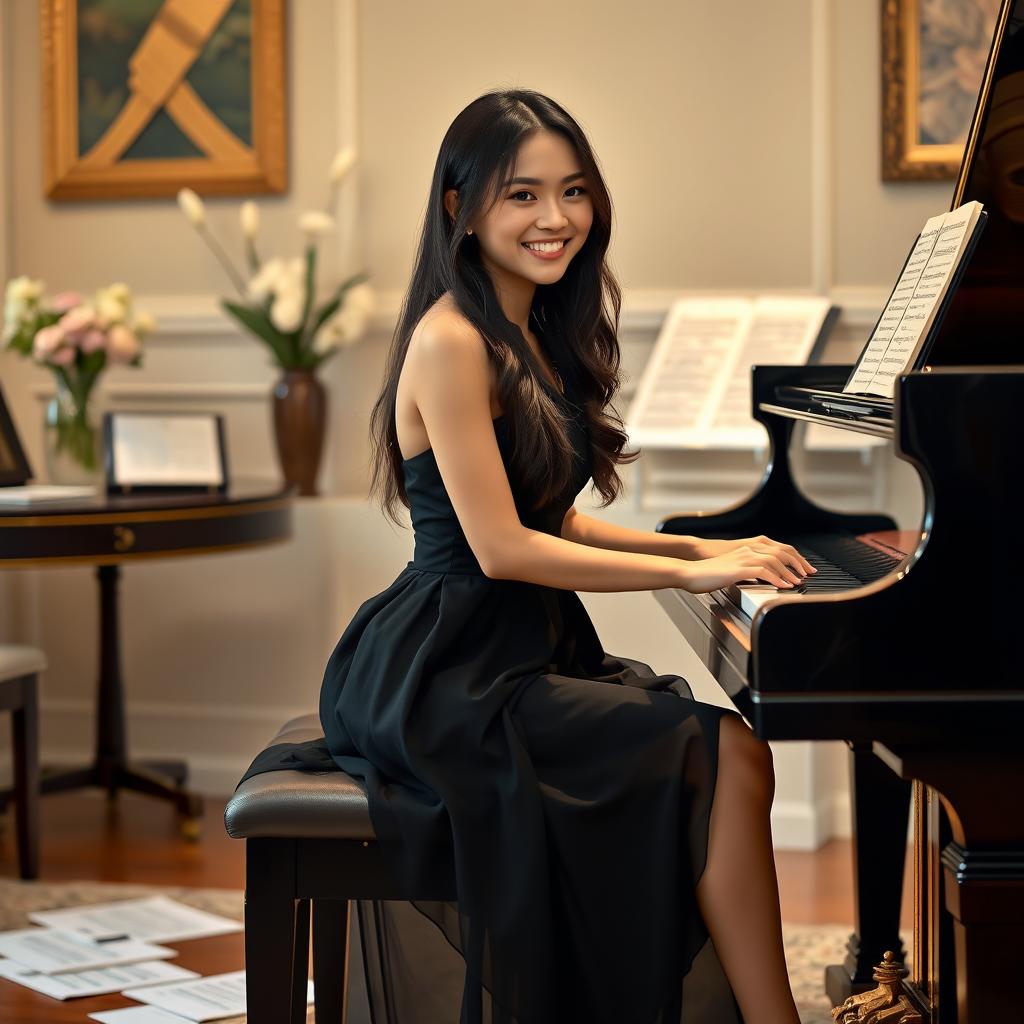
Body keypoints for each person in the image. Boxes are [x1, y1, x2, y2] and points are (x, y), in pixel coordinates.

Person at [253, 88, 817, 1023]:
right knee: (725, 756)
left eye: (574, 192)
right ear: (459, 208)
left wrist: (702, 544)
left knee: (731, 761)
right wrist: (688, 571)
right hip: (445, 669)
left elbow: (556, 519)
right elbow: (506, 549)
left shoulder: (529, 336)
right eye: (522, 195)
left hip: (509, 650)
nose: (555, 219)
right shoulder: (449, 342)